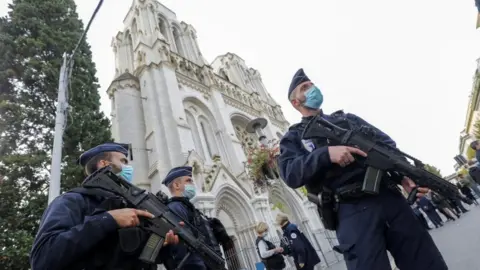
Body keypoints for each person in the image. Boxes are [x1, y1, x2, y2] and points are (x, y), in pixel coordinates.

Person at [277, 68, 448, 270]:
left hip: (390, 198)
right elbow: (290, 173)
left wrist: (404, 176)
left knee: (426, 263)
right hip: (350, 210)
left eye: (312, 84)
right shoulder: (294, 137)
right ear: (295, 103)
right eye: (305, 88)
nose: (312, 89)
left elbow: (388, 146)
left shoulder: (348, 120)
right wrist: (326, 154)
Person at [30, 143, 181, 270]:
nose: (129, 167)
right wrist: (108, 219)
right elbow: (43, 258)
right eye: (124, 161)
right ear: (105, 164)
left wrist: (161, 244)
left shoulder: (130, 208)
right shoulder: (73, 201)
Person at [161, 166, 224, 270]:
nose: (192, 184)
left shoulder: (187, 206)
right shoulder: (176, 207)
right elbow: (185, 245)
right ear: (176, 185)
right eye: (188, 180)